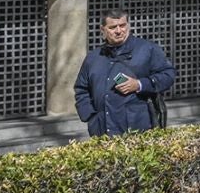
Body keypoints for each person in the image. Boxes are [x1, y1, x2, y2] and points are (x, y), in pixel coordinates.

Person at [73, 9, 177, 137]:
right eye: (112, 27)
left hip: (136, 128)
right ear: (103, 30)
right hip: (101, 130)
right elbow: (81, 88)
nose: (118, 31)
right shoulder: (93, 57)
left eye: (122, 26)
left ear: (128, 26)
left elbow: (168, 75)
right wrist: (90, 116)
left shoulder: (147, 49)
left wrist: (139, 84)